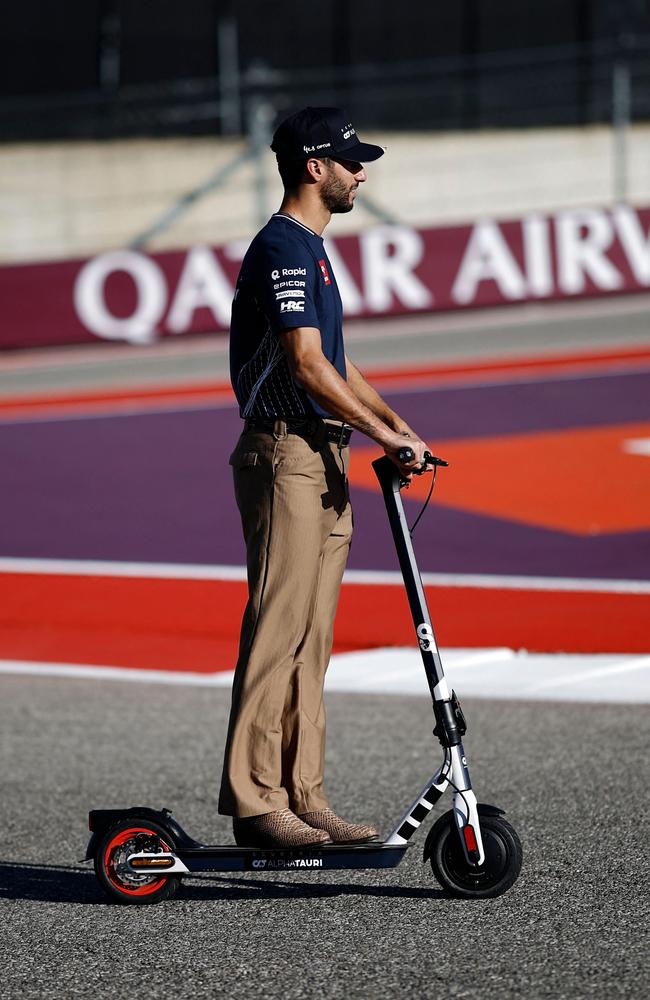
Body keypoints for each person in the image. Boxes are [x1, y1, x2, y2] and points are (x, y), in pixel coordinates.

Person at [219, 106, 432, 848]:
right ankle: (256, 802)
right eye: (350, 161)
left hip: (324, 455)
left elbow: (337, 366)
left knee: (313, 639)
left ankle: (303, 797)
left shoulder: (311, 249)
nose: (361, 171)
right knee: (276, 634)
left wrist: (394, 426)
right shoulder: (282, 247)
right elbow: (307, 365)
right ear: (315, 168)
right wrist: (382, 431)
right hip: (285, 455)